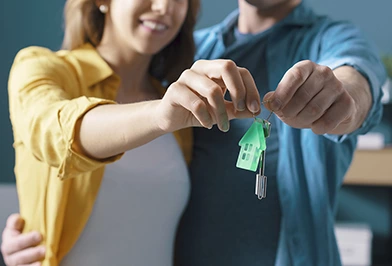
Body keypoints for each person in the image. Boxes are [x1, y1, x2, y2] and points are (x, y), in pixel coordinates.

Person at [2, 0, 387, 265]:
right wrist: (35, 223)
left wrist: (346, 98)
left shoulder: (331, 40)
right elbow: (52, 130)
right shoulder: (184, 72)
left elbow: (355, 78)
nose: (164, 7)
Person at [1, 0, 262, 265]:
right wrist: (160, 115)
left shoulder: (183, 109)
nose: (164, 7)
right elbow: (56, 131)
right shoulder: (41, 68)